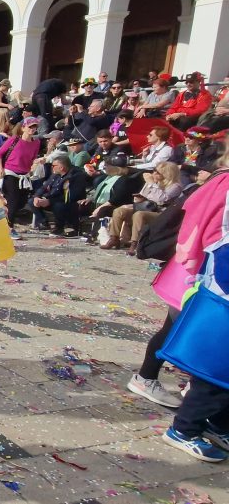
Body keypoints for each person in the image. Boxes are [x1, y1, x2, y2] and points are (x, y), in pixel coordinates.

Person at [152, 154, 229, 462]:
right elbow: (219, 240)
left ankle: (217, 423)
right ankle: (185, 429)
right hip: (222, 292)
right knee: (217, 371)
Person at [103, 161, 182, 254]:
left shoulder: (175, 186)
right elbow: (144, 195)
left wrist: (152, 184)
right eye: (154, 170)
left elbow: (162, 199)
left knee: (139, 215)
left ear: (167, 174)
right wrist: (140, 198)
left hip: (161, 213)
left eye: (158, 172)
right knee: (119, 211)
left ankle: (135, 243)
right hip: (146, 208)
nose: (154, 173)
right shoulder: (154, 182)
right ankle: (114, 238)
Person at [0, 117, 42, 238]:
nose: (32, 129)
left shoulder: (36, 143)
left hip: (25, 175)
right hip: (10, 172)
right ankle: (9, 228)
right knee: (13, 201)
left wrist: (36, 164)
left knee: (21, 201)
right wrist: (0, 169)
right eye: (30, 126)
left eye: (34, 127)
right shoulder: (14, 140)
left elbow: (32, 159)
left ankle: (2, 221)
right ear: (23, 128)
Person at [30, 155, 88, 237]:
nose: (52, 167)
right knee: (32, 201)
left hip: (71, 203)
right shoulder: (56, 174)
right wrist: (37, 196)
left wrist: (49, 201)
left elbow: (71, 196)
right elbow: (44, 187)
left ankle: (59, 227)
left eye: (54, 166)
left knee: (58, 206)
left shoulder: (76, 176)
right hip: (54, 199)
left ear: (61, 167)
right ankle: (44, 223)